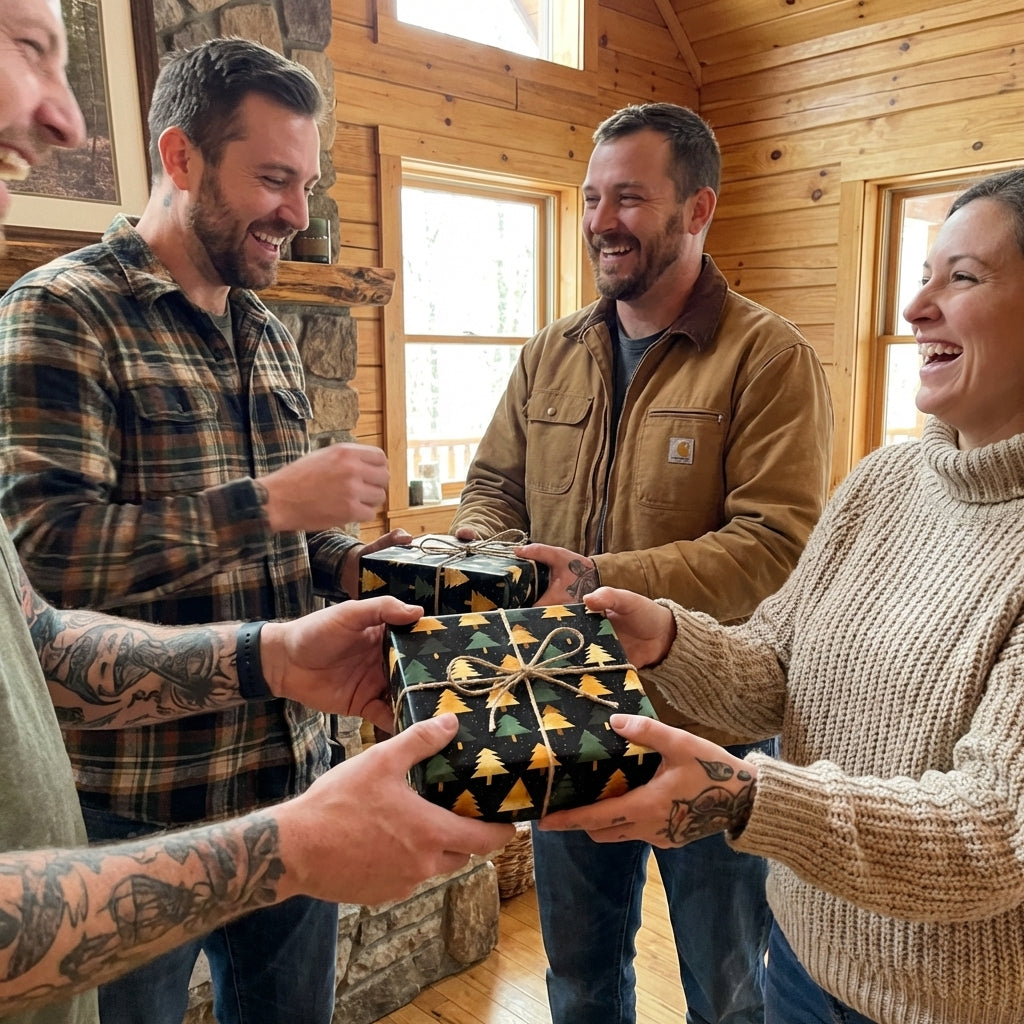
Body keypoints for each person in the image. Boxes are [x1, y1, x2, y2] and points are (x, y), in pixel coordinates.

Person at [0, 5, 514, 1023]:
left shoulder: (271, 333)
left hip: (295, 772)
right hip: (132, 812)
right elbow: (46, 564)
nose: (296, 211)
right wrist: (270, 501)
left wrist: (368, 570)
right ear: (181, 156)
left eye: (307, 184)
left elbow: (298, 539)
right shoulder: (57, 312)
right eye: (272, 180)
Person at [536, 164, 1024, 1024]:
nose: (915, 309)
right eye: (923, 277)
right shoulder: (884, 482)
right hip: (798, 967)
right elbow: (770, 666)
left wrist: (747, 794)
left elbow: (992, 834)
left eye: (964, 278)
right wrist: (662, 636)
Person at [449, 102, 833, 1024]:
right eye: (590, 198)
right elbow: (492, 486)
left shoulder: (768, 357)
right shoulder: (551, 353)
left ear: (697, 210)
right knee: (577, 974)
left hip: (709, 728)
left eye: (628, 197)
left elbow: (775, 547)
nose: (599, 221)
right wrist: (480, 556)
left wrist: (593, 578)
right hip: (558, 708)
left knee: (728, 987)